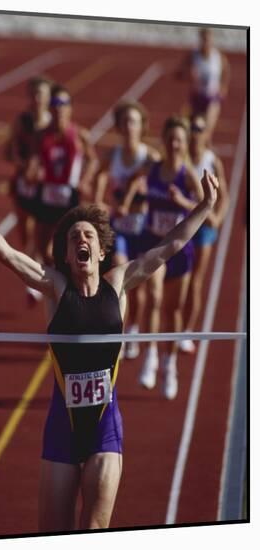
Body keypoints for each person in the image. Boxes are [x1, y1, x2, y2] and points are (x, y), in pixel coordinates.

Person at [0, 166, 219, 531]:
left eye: (87, 235)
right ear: (69, 255)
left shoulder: (118, 283)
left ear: (101, 251)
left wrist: (206, 204)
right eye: (73, 238)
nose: (80, 240)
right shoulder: (55, 287)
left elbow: (168, 247)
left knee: (94, 530)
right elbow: (6, 253)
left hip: (105, 429)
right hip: (62, 429)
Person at [123, 116, 204, 399]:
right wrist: (132, 198)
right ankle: (151, 357)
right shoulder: (153, 168)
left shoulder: (189, 174)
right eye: (169, 138)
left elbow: (205, 208)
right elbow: (131, 183)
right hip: (154, 244)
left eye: (179, 139)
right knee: (154, 298)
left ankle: (170, 367)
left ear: (184, 143)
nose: (173, 144)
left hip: (180, 250)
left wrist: (182, 202)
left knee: (174, 311)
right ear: (164, 140)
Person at [94, 100, 160, 359]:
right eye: (125, 122)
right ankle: (120, 333)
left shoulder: (151, 158)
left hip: (143, 230)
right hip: (119, 229)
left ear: (142, 126)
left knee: (141, 289)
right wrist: (100, 200)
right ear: (119, 127)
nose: (129, 127)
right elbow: (96, 175)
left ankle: (133, 330)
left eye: (134, 121)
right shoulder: (113, 155)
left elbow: (162, 186)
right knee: (120, 279)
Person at [179, 114, 229, 353]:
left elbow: (225, 197)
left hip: (204, 231)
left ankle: (187, 331)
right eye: (192, 129)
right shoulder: (181, 159)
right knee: (178, 281)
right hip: (183, 225)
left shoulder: (212, 160)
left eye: (200, 129)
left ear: (206, 134)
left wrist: (217, 218)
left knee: (195, 283)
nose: (196, 133)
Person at [32, 84, 98, 265]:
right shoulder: (41, 135)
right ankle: (53, 286)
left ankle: (65, 285)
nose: (59, 107)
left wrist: (84, 180)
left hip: (70, 197)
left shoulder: (79, 135)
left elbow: (93, 160)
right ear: (50, 107)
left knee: (68, 248)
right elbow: (33, 159)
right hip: (47, 195)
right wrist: (33, 171)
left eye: (64, 103)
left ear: (70, 108)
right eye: (55, 102)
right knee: (42, 249)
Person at [5, 76, 53, 304]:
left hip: (44, 187)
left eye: (41, 94)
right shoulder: (21, 121)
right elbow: (9, 150)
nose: (37, 99)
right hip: (22, 184)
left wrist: (44, 171)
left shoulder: (53, 124)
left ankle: (33, 280)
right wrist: (23, 166)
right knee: (25, 233)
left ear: (48, 97)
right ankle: (31, 266)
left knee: (37, 232)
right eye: (34, 94)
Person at [175, 27, 230, 143]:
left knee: (206, 132)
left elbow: (226, 70)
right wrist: (187, 74)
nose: (206, 42)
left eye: (208, 39)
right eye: (204, 39)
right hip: (196, 98)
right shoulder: (193, 56)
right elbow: (178, 74)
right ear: (200, 40)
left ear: (212, 40)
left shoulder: (218, 56)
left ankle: (206, 153)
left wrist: (224, 87)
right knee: (194, 131)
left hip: (212, 98)